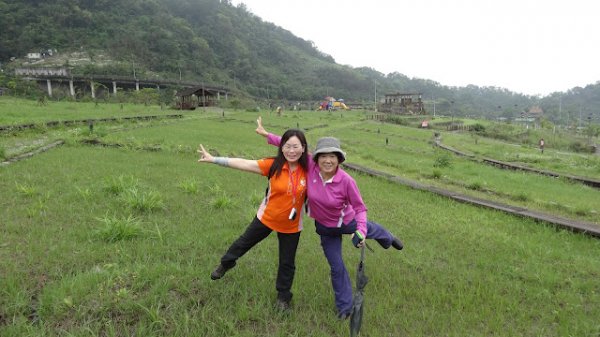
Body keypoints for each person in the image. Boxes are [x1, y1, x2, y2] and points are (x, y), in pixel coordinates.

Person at [255, 117, 403, 319]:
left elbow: (360, 208)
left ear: (339, 159)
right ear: (316, 158)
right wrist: (266, 135)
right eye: (323, 156)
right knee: (336, 267)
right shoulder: (311, 167)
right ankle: (345, 308)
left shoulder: (347, 181)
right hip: (325, 228)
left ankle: (388, 238)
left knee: (370, 229)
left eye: (333, 156)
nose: (328, 160)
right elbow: (292, 146)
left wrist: (359, 231)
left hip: (347, 222)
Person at [197, 128, 309, 311]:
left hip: (292, 225)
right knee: (243, 243)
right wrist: (214, 159)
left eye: (296, 146)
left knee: (287, 263)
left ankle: (283, 298)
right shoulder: (273, 165)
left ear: (303, 148)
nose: (291, 151)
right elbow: (243, 163)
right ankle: (226, 263)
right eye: (287, 146)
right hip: (267, 217)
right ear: (281, 148)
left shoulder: (309, 169)